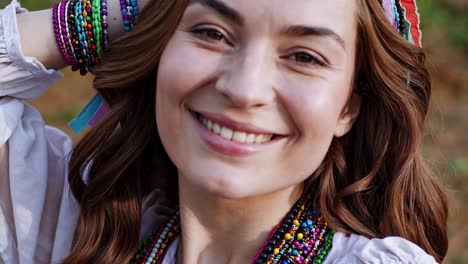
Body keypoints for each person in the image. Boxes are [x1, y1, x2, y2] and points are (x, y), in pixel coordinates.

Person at [0, 0, 448, 263]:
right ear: (160, 53)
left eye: (305, 57)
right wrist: (132, 11)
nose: (243, 88)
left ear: (349, 107)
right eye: (212, 32)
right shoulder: (71, 226)